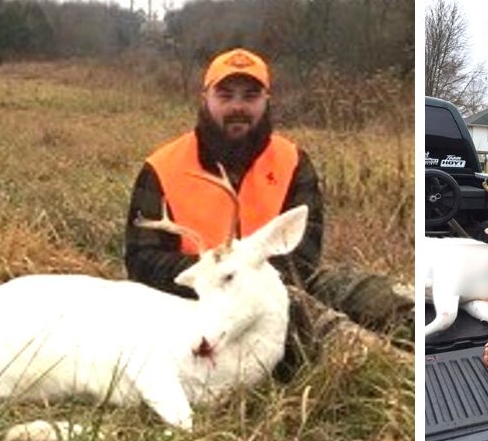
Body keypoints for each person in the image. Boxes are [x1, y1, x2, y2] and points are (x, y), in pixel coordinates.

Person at [123, 48, 414, 369]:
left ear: (266, 100)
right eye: (225, 95)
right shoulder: (162, 168)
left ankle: (430, 323)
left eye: (250, 95)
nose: (238, 107)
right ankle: (391, 369)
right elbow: (142, 262)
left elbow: (304, 255)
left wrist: (253, 278)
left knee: (368, 292)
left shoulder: (291, 161)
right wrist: (217, 275)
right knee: (310, 316)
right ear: (204, 97)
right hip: (200, 302)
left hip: (278, 281)